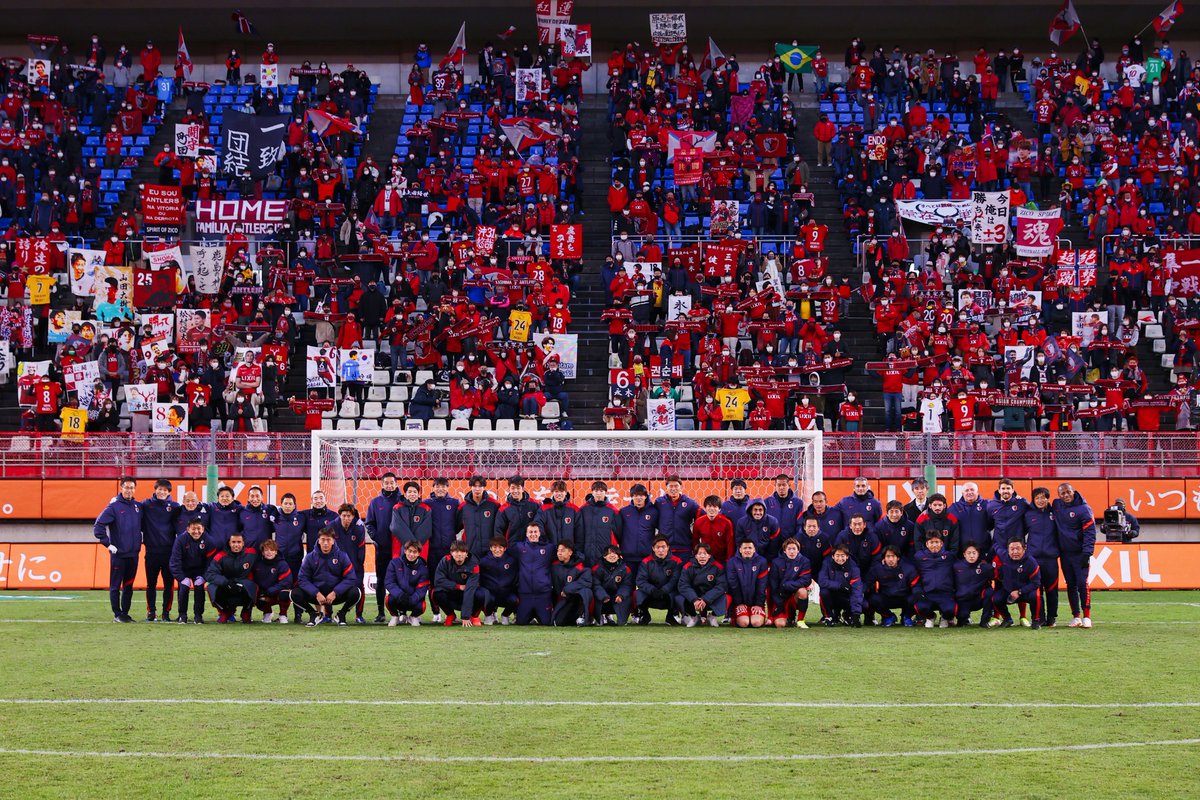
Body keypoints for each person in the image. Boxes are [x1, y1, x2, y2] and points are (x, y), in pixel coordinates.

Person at [93, 477, 143, 623]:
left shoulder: (138, 507)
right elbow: (98, 526)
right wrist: (108, 544)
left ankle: (125, 614)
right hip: (119, 554)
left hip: (133, 554)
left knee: (129, 585)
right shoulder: (113, 507)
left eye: (132, 488)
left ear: (135, 489)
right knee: (115, 585)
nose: (129, 490)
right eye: (126, 487)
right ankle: (117, 614)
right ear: (121, 488)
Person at [293, 528, 362, 626]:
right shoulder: (309, 557)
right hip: (317, 596)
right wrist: (316, 593)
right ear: (318, 540)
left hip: (335, 596)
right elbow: (302, 579)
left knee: (356, 592)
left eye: (328, 540)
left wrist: (335, 592)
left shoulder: (342, 556)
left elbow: (350, 578)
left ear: (333, 541)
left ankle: (341, 614)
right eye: (323, 540)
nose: (325, 543)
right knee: (294, 593)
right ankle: (314, 614)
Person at [1052, 482, 1096, 628]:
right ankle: (1076, 616)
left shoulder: (1084, 509)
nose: (1066, 495)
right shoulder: (1056, 505)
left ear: (1073, 491)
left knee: (1082, 584)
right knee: (1070, 585)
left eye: (1068, 492)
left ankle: (1087, 617)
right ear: (1059, 495)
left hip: (1080, 554)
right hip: (1065, 554)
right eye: (1063, 493)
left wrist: (1087, 553)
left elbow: (1090, 532)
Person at [139, 477, 179, 621]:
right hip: (151, 552)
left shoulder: (175, 507)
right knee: (151, 584)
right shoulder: (146, 504)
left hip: (169, 553)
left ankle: (166, 613)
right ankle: (151, 612)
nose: (162, 492)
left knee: (169, 585)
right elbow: (134, 510)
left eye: (165, 490)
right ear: (155, 490)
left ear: (169, 492)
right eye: (160, 489)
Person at [365, 472, 401, 623]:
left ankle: (400, 612)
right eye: (386, 483)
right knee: (381, 580)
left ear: (396, 483)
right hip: (383, 548)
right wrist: (377, 538)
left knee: (400, 579)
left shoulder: (403, 500)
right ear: (382, 484)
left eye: (392, 482)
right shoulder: (375, 502)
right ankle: (381, 612)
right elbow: (369, 523)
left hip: (401, 548)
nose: (389, 485)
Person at [1023, 487, 1061, 627]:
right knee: (1036, 590)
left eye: (1043, 497)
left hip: (1051, 559)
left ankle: (1051, 617)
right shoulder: (1028, 514)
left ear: (1048, 499)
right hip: (1033, 560)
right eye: (1037, 498)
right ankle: (1039, 617)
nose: (1040, 500)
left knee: (1052, 590)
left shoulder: (1055, 512)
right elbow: (1020, 533)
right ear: (1033, 500)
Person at [204, 532, 258, 624]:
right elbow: (210, 574)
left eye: (239, 542)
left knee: (254, 586)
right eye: (233, 542)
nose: (236, 545)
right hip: (226, 586)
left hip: (243, 585)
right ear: (229, 543)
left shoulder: (252, 553)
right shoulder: (220, 556)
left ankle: (246, 612)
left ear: (243, 543)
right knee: (210, 586)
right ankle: (224, 613)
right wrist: (226, 582)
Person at [989, 539, 1042, 629]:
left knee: (1036, 595)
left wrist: (1020, 592)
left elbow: (1036, 583)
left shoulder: (1031, 562)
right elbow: (996, 546)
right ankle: (1007, 619)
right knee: (996, 598)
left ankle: (1036, 621)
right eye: (1012, 549)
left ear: (1024, 549)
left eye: (1018, 548)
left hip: (1025, 591)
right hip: (1008, 590)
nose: (1015, 552)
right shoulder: (1004, 555)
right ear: (1008, 550)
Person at [169, 517, 214, 623]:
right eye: (193, 529)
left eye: (199, 529)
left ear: (203, 529)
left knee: (199, 588)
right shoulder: (180, 540)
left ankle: (198, 616)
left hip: (200, 571)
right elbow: (175, 561)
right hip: (184, 570)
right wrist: (181, 578)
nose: (196, 532)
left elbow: (211, 563)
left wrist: (204, 577)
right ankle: (182, 615)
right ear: (188, 529)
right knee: (183, 588)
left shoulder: (209, 540)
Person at [510, 523, 555, 625]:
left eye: (535, 532)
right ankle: (531, 614)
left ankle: (538, 614)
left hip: (543, 593)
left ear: (539, 533)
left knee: (546, 623)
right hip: (525, 593)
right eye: (530, 532)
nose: (533, 534)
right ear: (526, 534)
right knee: (521, 623)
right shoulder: (519, 547)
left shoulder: (549, 548)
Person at [432, 540, 485, 626]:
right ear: (451, 553)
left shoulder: (474, 564)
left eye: (462, 551)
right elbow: (438, 581)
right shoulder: (445, 561)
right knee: (436, 593)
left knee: (482, 594)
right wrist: (458, 586)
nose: (459, 554)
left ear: (466, 553)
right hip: (452, 593)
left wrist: (465, 616)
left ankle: (473, 616)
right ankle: (450, 615)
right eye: (456, 551)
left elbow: (470, 589)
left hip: (468, 594)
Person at [331, 503, 368, 623]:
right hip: (336, 566)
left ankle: (359, 615)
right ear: (340, 515)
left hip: (354, 566)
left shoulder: (358, 527)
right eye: (344, 515)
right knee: (327, 586)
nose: (346, 518)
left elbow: (361, 548)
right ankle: (327, 615)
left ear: (353, 516)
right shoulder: (332, 527)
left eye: (349, 516)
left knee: (359, 588)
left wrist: (358, 565)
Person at [634, 534, 683, 624]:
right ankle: (645, 615)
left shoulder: (677, 561)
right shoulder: (646, 561)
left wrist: (664, 590)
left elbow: (676, 580)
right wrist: (652, 590)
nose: (661, 550)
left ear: (668, 547)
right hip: (652, 592)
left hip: (667, 593)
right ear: (653, 548)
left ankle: (670, 616)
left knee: (679, 593)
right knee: (637, 594)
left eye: (663, 547)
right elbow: (640, 580)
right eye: (658, 547)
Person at [677, 542, 728, 627]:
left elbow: (721, 586)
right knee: (678, 597)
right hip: (694, 600)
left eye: (705, 553)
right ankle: (694, 616)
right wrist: (695, 599)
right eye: (699, 553)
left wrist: (705, 599)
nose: (702, 556)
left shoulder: (718, 567)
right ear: (695, 556)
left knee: (726, 597)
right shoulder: (687, 567)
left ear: (709, 555)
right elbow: (683, 585)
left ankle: (712, 616)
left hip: (710, 599)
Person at [913, 532, 957, 628]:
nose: (934, 545)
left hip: (945, 593)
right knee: (919, 607)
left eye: (937, 542)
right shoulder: (919, 557)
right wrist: (918, 591)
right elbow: (914, 574)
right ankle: (931, 617)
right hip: (928, 593)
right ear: (927, 544)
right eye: (931, 542)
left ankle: (944, 617)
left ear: (941, 543)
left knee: (952, 610)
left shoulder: (949, 556)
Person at [866, 546, 917, 627]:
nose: (890, 559)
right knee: (872, 599)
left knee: (917, 596)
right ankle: (889, 616)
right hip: (887, 597)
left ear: (898, 558)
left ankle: (906, 617)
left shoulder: (908, 568)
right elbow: (867, 583)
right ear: (884, 558)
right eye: (888, 556)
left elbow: (916, 586)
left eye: (893, 556)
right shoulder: (877, 569)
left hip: (904, 598)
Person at [768, 537, 813, 628]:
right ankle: (789, 615)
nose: (792, 551)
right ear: (784, 551)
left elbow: (806, 580)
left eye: (794, 549)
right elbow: (773, 585)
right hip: (781, 597)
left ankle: (800, 621)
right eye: (789, 549)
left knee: (803, 591)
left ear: (798, 550)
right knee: (780, 624)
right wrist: (779, 603)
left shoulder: (804, 561)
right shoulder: (776, 562)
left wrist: (786, 584)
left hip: (794, 595)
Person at [385, 540, 430, 627]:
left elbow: (422, 588)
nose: (412, 554)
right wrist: (400, 595)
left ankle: (413, 617)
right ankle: (395, 616)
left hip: (413, 599)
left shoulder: (423, 568)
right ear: (405, 551)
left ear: (419, 553)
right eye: (410, 551)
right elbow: (389, 582)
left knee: (422, 606)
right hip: (399, 597)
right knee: (388, 600)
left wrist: (411, 599)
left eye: (415, 552)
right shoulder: (394, 563)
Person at [653, 475, 699, 561]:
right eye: (671, 486)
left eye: (676, 486)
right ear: (666, 488)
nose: (673, 489)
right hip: (665, 549)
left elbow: (702, 518)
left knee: (684, 569)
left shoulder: (690, 503)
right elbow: (653, 521)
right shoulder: (659, 502)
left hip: (684, 547)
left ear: (681, 487)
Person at [577, 480, 622, 566]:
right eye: (596, 490)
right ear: (592, 492)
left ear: (605, 492)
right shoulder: (584, 509)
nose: (598, 493)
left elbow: (619, 533)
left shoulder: (613, 511)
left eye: (601, 491)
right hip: (586, 552)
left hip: (604, 552)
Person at [727, 538, 769, 628]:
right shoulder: (732, 562)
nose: (747, 550)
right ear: (740, 550)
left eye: (750, 548)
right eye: (745, 548)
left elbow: (762, 585)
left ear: (754, 549)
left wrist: (758, 604)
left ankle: (757, 615)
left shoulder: (762, 561)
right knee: (744, 623)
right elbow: (733, 585)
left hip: (755, 602)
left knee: (756, 623)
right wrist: (739, 603)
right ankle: (734, 616)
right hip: (740, 603)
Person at [817, 545, 863, 626]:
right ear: (833, 556)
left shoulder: (854, 567)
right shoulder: (827, 564)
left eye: (842, 556)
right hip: (832, 595)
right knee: (824, 592)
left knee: (864, 603)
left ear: (847, 556)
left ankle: (848, 616)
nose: (840, 558)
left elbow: (857, 589)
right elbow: (822, 581)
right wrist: (840, 585)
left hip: (846, 596)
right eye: (837, 555)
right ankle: (828, 616)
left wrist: (856, 614)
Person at [551, 540, 593, 626]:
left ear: (570, 552)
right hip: (564, 599)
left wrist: (567, 590)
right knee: (558, 622)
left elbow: (586, 581)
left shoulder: (581, 565)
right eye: (558, 550)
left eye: (563, 550)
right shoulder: (554, 566)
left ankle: (584, 615)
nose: (559, 553)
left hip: (577, 598)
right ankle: (575, 619)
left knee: (585, 591)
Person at [953, 544, 995, 627]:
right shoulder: (956, 566)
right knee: (962, 617)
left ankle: (984, 621)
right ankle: (963, 618)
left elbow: (995, 575)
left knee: (989, 592)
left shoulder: (984, 567)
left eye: (974, 553)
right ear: (964, 554)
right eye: (969, 553)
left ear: (978, 554)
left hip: (977, 599)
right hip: (963, 599)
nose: (971, 556)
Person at [253, 539, 293, 623]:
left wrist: (272, 589)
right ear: (262, 552)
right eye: (266, 550)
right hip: (265, 593)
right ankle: (267, 613)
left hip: (277, 592)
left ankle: (283, 615)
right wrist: (261, 591)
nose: (269, 552)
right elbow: (253, 580)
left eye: (272, 550)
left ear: (276, 552)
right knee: (255, 595)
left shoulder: (282, 564)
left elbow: (287, 582)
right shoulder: (257, 564)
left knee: (285, 594)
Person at [479, 536, 517, 625]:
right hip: (491, 593)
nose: (497, 550)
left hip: (505, 593)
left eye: (500, 547)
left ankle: (505, 615)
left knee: (514, 600)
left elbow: (515, 577)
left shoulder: (511, 561)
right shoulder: (484, 561)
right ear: (490, 548)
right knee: (485, 597)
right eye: (494, 547)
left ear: (505, 548)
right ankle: (488, 615)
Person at [592, 545, 634, 625]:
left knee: (628, 597)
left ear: (618, 556)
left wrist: (620, 595)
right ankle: (598, 617)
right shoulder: (596, 568)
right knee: (592, 595)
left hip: (616, 595)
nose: (612, 555)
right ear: (604, 556)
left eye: (615, 553)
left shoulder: (625, 568)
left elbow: (627, 585)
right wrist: (603, 596)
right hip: (602, 596)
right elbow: (595, 585)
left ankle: (622, 620)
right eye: (609, 553)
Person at [618, 483, 659, 566]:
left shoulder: (653, 512)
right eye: (636, 495)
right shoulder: (624, 512)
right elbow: (618, 532)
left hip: (647, 556)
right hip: (628, 556)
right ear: (632, 496)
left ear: (646, 496)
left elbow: (661, 529)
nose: (638, 498)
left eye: (641, 495)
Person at [497, 475, 541, 544]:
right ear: (509, 489)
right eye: (513, 488)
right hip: (512, 546)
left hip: (532, 546)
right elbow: (498, 530)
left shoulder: (535, 505)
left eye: (518, 488)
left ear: (523, 489)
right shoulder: (503, 509)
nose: (515, 491)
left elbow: (541, 525)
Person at [692, 495, 735, 563]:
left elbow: (730, 543)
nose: (712, 509)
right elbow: (695, 541)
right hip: (706, 560)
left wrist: (729, 560)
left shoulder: (726, 522)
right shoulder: (698, 522)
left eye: (715, 506)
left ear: (719, 509)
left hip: (722, 559)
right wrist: (697, 556)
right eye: (709, 506)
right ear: (705, 508)